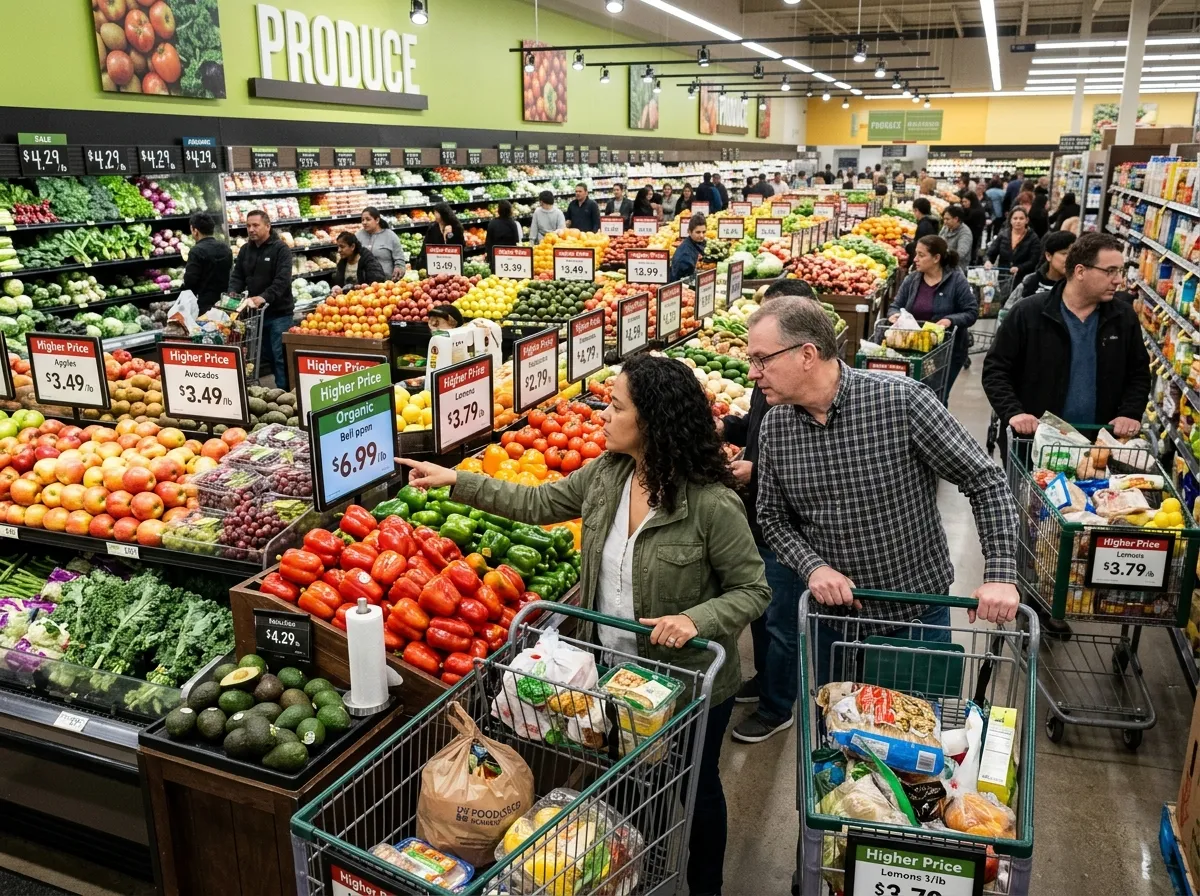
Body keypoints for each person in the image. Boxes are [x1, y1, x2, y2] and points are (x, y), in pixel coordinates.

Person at [397, 354, 770, 896]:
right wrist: (457, 479)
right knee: (622, 788)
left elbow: (753, 589)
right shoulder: (606, 476)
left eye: (616, 407)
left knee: (694, 789)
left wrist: (695, 618)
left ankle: (704, 886)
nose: (603, 415)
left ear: (652, 421)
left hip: (685, 686)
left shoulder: (711, 504)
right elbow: (537, 500)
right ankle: (625, 875)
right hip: (614, 675)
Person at [748, 298, 1020, 683]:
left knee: (917, 733)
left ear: (806, 354)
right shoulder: (775, 427)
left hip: (914, 618)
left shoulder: (901, 400)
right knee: (836, 733)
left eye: (761, 359)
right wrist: (814, 567)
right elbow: (772, 519)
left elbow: (985, 480)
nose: (752, 372)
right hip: (833, 626)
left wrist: (1000, 573)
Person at [720, 280, 819, 744]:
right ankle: (764, 681)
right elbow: (757, 425)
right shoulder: (772, 389)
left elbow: (807, 472)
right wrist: (725, 426)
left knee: (780, 620)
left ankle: (778, 706)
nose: (754, 369)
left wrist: (754, 471)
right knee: (761, 611)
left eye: (763, 357)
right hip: (760, 515)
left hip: (790, 532)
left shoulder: (813, 398)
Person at [983, 232, 1149, 445]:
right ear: (1080, 271)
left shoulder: (1123, 318)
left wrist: (1130, 412)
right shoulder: (1028, 313)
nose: (1118, 280)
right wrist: (1014, 412)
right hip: (1034, 443)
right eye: (1110, 271)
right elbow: (995, 369)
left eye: (1120, 271)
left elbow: (1139, 374)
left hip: (1098, 445)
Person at [888, 234, 977, 398]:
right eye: (916, 254)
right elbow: (895, 306)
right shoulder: (912, 280)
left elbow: (971, 312)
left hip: (947, 352)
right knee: (912, 397)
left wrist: (950, 320)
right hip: (914, 350)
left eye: (921, 255)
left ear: (936, 258)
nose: (915, 259)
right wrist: (894, 315)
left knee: (937, 397)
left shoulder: (957, 281)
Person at [228, 209, 293, 389]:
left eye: (255, 225)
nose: (251, 229)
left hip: (280, 313)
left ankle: (286, 393)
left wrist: (264, 297)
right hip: (256, 314)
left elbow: (282, 280)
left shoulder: (281, 249)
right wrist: (233, 293)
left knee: (280, 356)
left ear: (268, 226)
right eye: (248, 226)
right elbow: (237, 276)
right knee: (266, 356)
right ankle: (278, 391)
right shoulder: (245, 250)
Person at [182, 212, 232, 310]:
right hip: (224, 301)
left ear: (195, 230)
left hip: (204, 303)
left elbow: (190, 281)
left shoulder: (196, 251)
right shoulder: (225, 248)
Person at [987, 207, 1042, 284]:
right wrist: (989, 261)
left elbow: (1034, 260)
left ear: (1026, 220)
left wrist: (1019, 268)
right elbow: (992, 252)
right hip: (1003, 277)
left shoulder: (1033, 238)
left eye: (1021, 218)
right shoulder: (1003, 235)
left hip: (1023, 279)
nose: (1018, 221)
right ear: (1010, 220)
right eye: (1015, 218)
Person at [357, 207, 406, 281]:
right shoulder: (358, 236)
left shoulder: (390, 236)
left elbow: (399, 259)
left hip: (386, 283)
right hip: (364, 284)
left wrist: (399, 268)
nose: (364, 222)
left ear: (377, 220)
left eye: (368, 219)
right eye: (362, 220)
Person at [669, 213, 706, 282]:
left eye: (703, 232)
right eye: (698, 232)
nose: (701, 235)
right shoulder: (685, 254)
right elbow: (681, 281)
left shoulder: (697, 243)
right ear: (689, 231)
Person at [484, 200, 523, 266]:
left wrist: (489, 257)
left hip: (495, 256)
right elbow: (516, 240)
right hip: (509, 256)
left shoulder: (492, 223)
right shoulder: (512, 224)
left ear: (499, 211)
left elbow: (488, 242)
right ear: (510, 211)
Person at [939, 206, 973, 272]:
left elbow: (961, 254)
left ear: (956, 219)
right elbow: (938, 240)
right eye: (944, 219)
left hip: (956, 269)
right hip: (943, 265)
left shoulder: (965, 233)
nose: (945, 222)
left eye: (947, 219)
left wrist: (946, 254)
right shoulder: (946, 227)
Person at [961, 192, 987, 262]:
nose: (964, 204)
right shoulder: (971, 209)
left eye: (966, 201)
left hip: (974, 237)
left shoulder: (976, 212)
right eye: (963, 202)